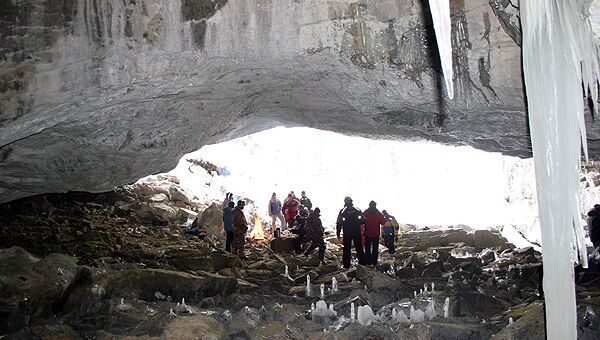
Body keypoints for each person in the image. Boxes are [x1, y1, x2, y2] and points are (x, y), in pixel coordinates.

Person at [336, 196, 366, 269]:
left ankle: (346, 266)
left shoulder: (343, 211)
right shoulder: (357, 209)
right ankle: (362, 264)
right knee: (359, 248)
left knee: (346, 249)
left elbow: (339, 223)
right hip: (356, 231)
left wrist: (338, 234)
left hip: (347, 233)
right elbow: (363, 221)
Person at [363, 201, 386, 266]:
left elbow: (361, 221)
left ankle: (368, 262)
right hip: (376, 234)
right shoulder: (378, 213)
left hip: (367, 234)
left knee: (367, 248)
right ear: (375, 205)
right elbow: (383, 222)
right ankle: (374, 262)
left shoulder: (365, 213)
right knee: (375, 249)